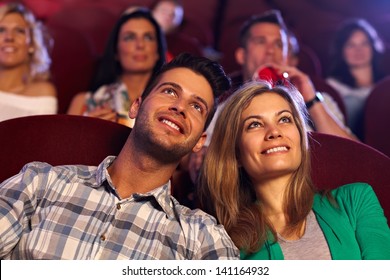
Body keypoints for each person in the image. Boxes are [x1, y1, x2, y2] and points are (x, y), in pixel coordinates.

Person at [0, 53, 239, 260]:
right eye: (169, 91)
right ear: (136, 106)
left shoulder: (203, 238)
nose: (179, 107)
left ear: (200, 141)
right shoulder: (40, 183)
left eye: (197, 106)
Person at [198, 80, 390, 260]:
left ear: (301, 138)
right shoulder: (223, 241)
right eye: (254, 124)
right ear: (236, 154)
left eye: (284, 119)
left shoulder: (356, 200)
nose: (274, 132)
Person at [228, 9, 356, 140]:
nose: (271, 50)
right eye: (261, 41)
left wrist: (311, 102)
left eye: (279, 44)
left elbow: (357, 156)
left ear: (289, 58)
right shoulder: (226, 108)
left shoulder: (320, 101)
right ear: (242, 56)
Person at [67, 7, 166, 128]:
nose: (140, 45)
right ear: (116, 51)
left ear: (158, 51)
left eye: (148, 37)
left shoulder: (169, 106)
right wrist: (86, 129)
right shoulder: (83, 102)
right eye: (129, 37)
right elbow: (62, 146)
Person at [326, 18, 385, 140]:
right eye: (351, 45)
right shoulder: (332, 87)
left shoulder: (386, 85)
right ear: (341, 51)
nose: (359, 50)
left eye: (364, 43)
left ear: (373, 47)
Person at [0, 2, 57, 122]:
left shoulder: (42, 92)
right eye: (1, 30)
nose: (9, 37)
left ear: (31, 44)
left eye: (19, 31)